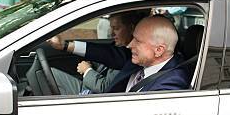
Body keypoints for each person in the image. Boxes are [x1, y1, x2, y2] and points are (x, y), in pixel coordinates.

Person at [54, 15, 190, 93]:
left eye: (137, 41)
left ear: (159, 50)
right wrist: (66, 46)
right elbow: (108, 54)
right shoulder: (142, 60)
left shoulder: (171, 83)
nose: (130, 45)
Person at [49, 11, 142, 95]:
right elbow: (103, 54)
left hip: (92, 94)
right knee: (48, 72)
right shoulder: (119, 47)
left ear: (131, 28)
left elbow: (105, 88)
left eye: (116, 28)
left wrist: (87, 70)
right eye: (111, 28)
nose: (111, 33)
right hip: (88, 87)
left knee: (46, 75)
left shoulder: (130, 55)